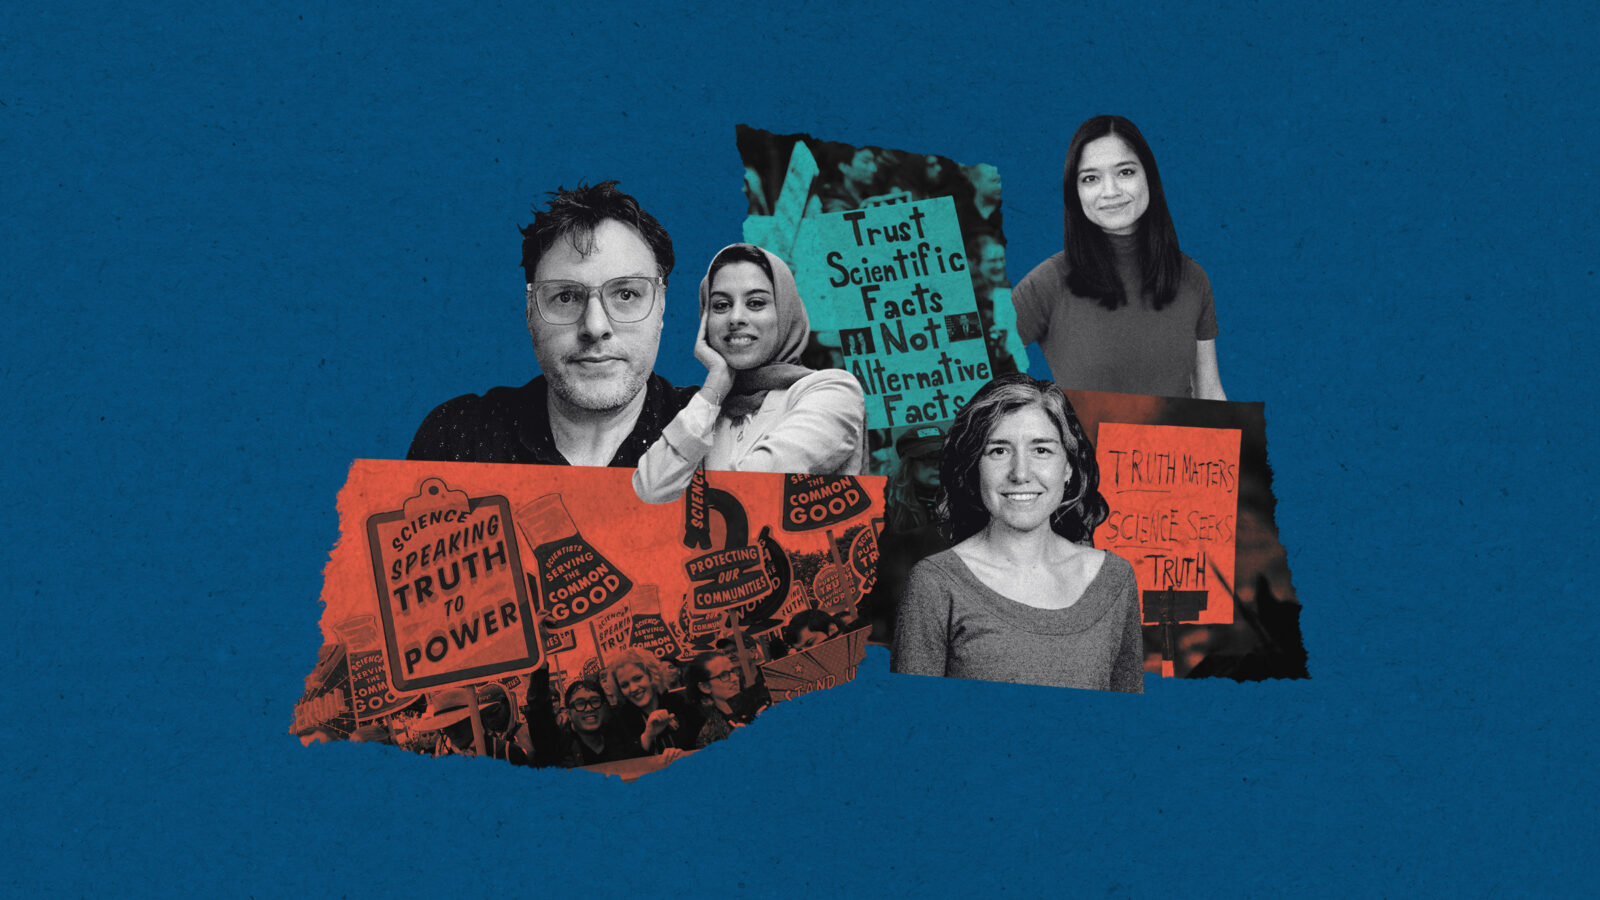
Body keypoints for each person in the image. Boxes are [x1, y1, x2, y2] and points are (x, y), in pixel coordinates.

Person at [407, 181, 699, 466]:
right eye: (566, 296)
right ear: (530, 311)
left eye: (626, 294)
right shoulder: (458, 438)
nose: (595, 327)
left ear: (661, 306)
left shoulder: (728, 431)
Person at [890, 374, 1144, 693]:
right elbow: (912, 728)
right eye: (998, 451)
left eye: (1041, 450)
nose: (1020, 474)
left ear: (1068, 466)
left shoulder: (1115, 579)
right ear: (974, 466)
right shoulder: (935, 583)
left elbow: (1127, 727)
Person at [632, 243, 867, 503]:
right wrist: (713, 390)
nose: (736, 318)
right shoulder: (708, 412)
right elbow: (650, 490)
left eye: (755, 303)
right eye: (721, 305)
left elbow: (751, 489)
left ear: (785, 312)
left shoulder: (832, 391)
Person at [1011, 116, 1226, 400]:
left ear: (1148, 175)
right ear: (1075, 192)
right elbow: (964, 372)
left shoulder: (1191, 277)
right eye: (1091, 178)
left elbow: (1209, 394)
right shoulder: (1048, 283)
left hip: (1177, 445)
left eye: (1125, 172)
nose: (1110, 191)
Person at [603, 648, 702, 755]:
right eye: (625, 685)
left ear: (651, 675)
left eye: (637, 678)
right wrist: (647, 737)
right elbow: (622, 765)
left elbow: (704, 745)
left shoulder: (680, 704)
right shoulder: (618, 723)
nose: (633, 688)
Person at [684, 650, 766, 748]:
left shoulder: (762, 704)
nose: (734, 678)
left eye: (734, 671)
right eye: (723, 675)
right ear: (705, 687)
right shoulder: (709, 736)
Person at [556, 678, 646, 767]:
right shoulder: (560, 751)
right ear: (569, 713)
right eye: (580, 703)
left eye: (595, 701)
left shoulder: (622, 738)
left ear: (604, 707)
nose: (589, 708)